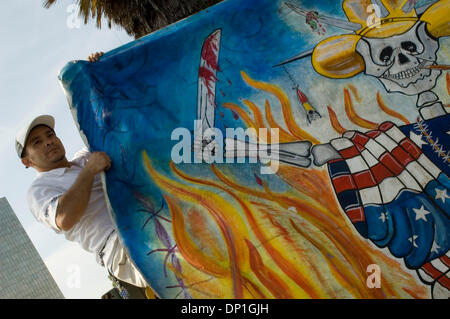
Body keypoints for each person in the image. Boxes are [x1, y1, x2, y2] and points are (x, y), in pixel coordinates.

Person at [15, 52, 156, 299]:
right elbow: (64, 218)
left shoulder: (85, 155)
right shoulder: (38, 190)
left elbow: (111, 121)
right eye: (37, 142)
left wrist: (97, 73)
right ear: (27, 161)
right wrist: (90, 171)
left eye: (50, 135)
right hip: (122, 248)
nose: (48, 142)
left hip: (151, 222)